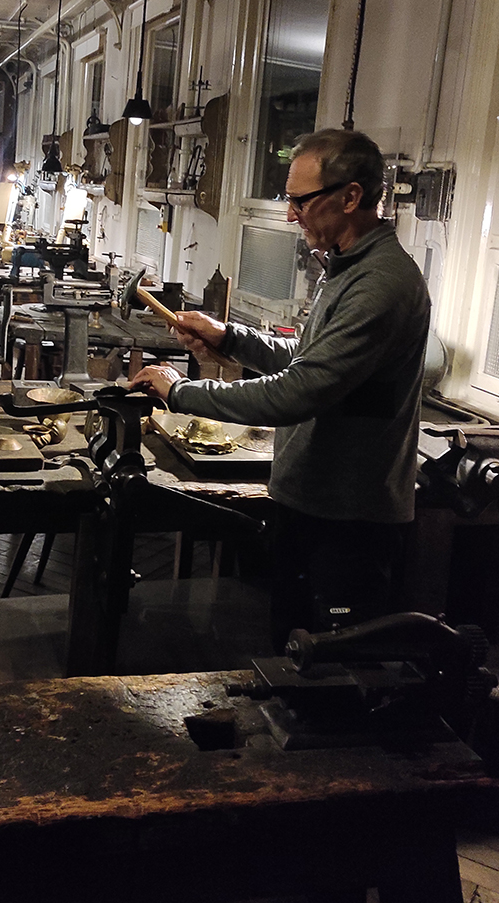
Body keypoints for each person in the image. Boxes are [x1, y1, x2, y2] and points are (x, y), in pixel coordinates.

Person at [129, 128, 431, 652]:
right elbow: (308, 360)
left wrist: (180, 394)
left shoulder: (382, 284)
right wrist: (228, 336)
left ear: (351, 196)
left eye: (300, 201)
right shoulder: (344, 268)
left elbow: (298, 392)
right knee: (292, 651)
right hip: (312, 502)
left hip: (349, 520)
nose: (291, 214)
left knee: (334, 671)